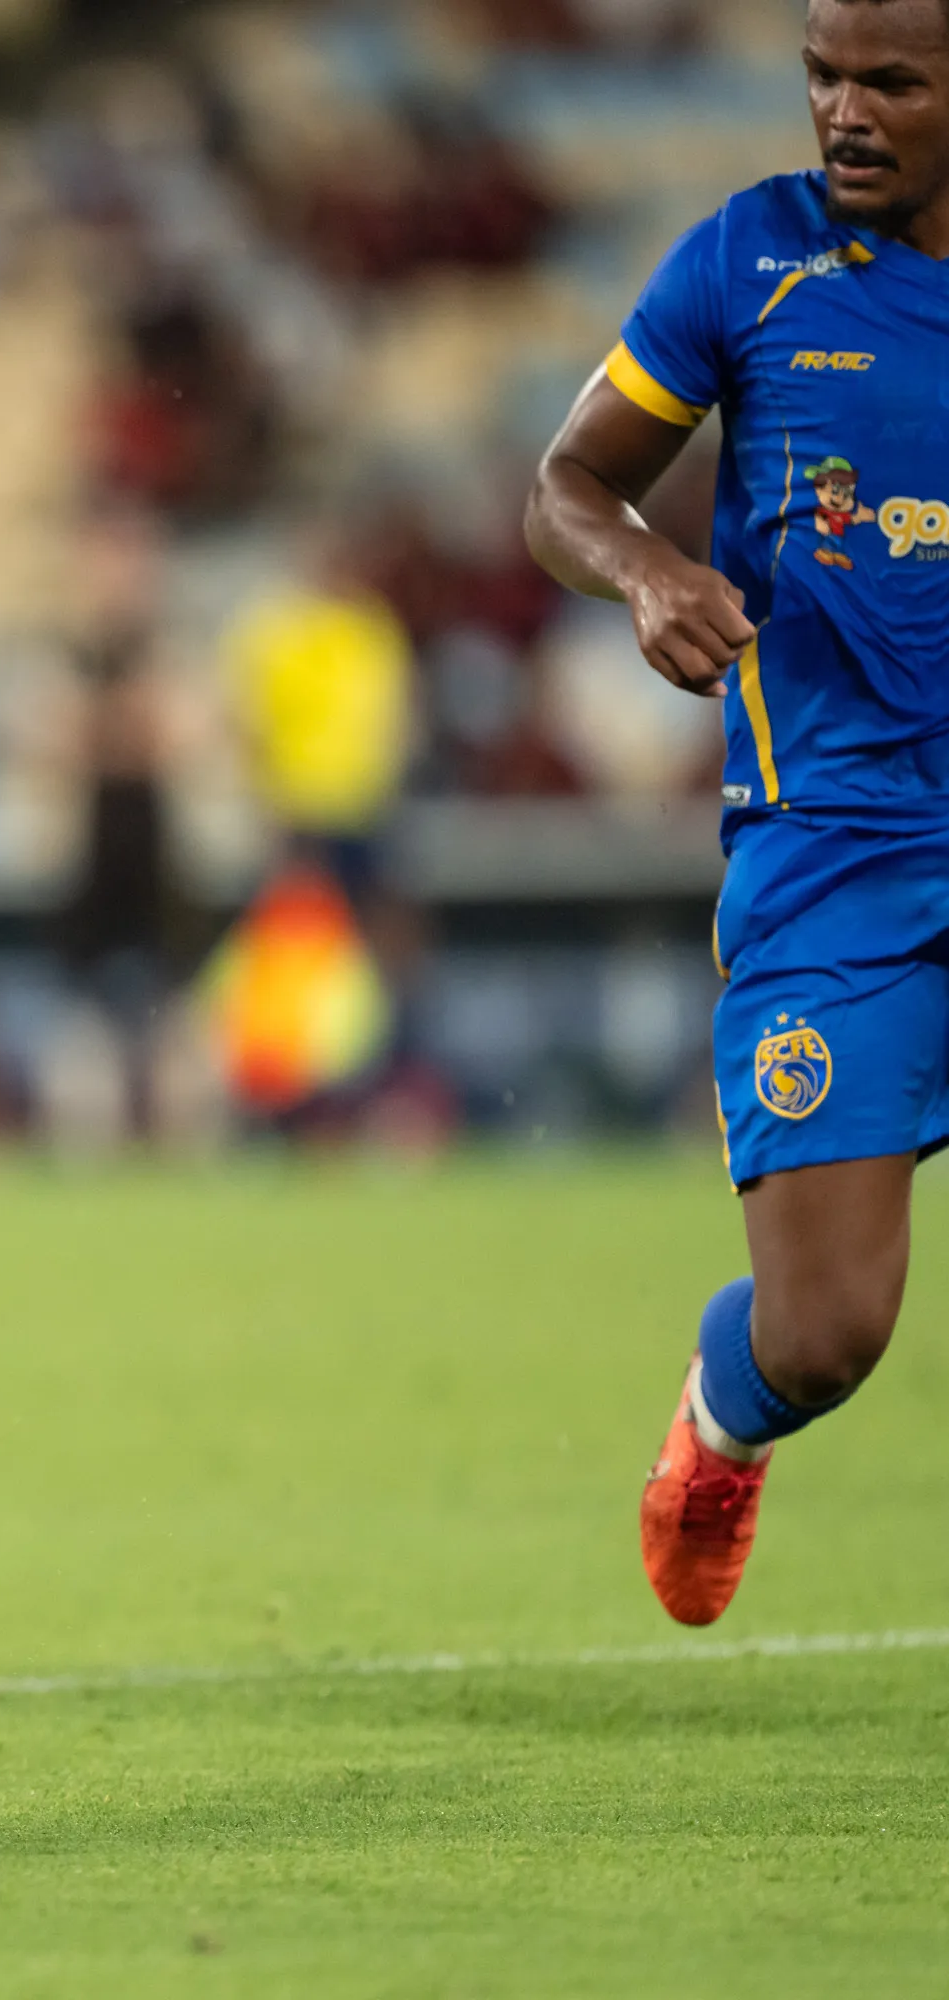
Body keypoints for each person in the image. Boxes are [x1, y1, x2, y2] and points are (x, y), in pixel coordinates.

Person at [525, 0, 949, 1624]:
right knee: (827, 1334)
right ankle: (723, 1424)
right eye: (824, 78)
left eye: (892, 83)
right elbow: (568, 485)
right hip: (836, 845)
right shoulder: (750, 263)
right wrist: (646, 571)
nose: (845, 114)